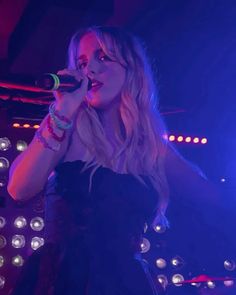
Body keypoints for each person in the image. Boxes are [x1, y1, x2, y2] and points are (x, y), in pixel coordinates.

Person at [7, 26, 217, 295]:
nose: (90, 70)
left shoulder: (152, 148)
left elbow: (213, 197)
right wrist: (62, 112)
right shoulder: (67, 127)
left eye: (103, 57)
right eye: (82, 63)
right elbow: (19, 189)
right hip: (62, 280)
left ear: (132, 69)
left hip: (125, 284)